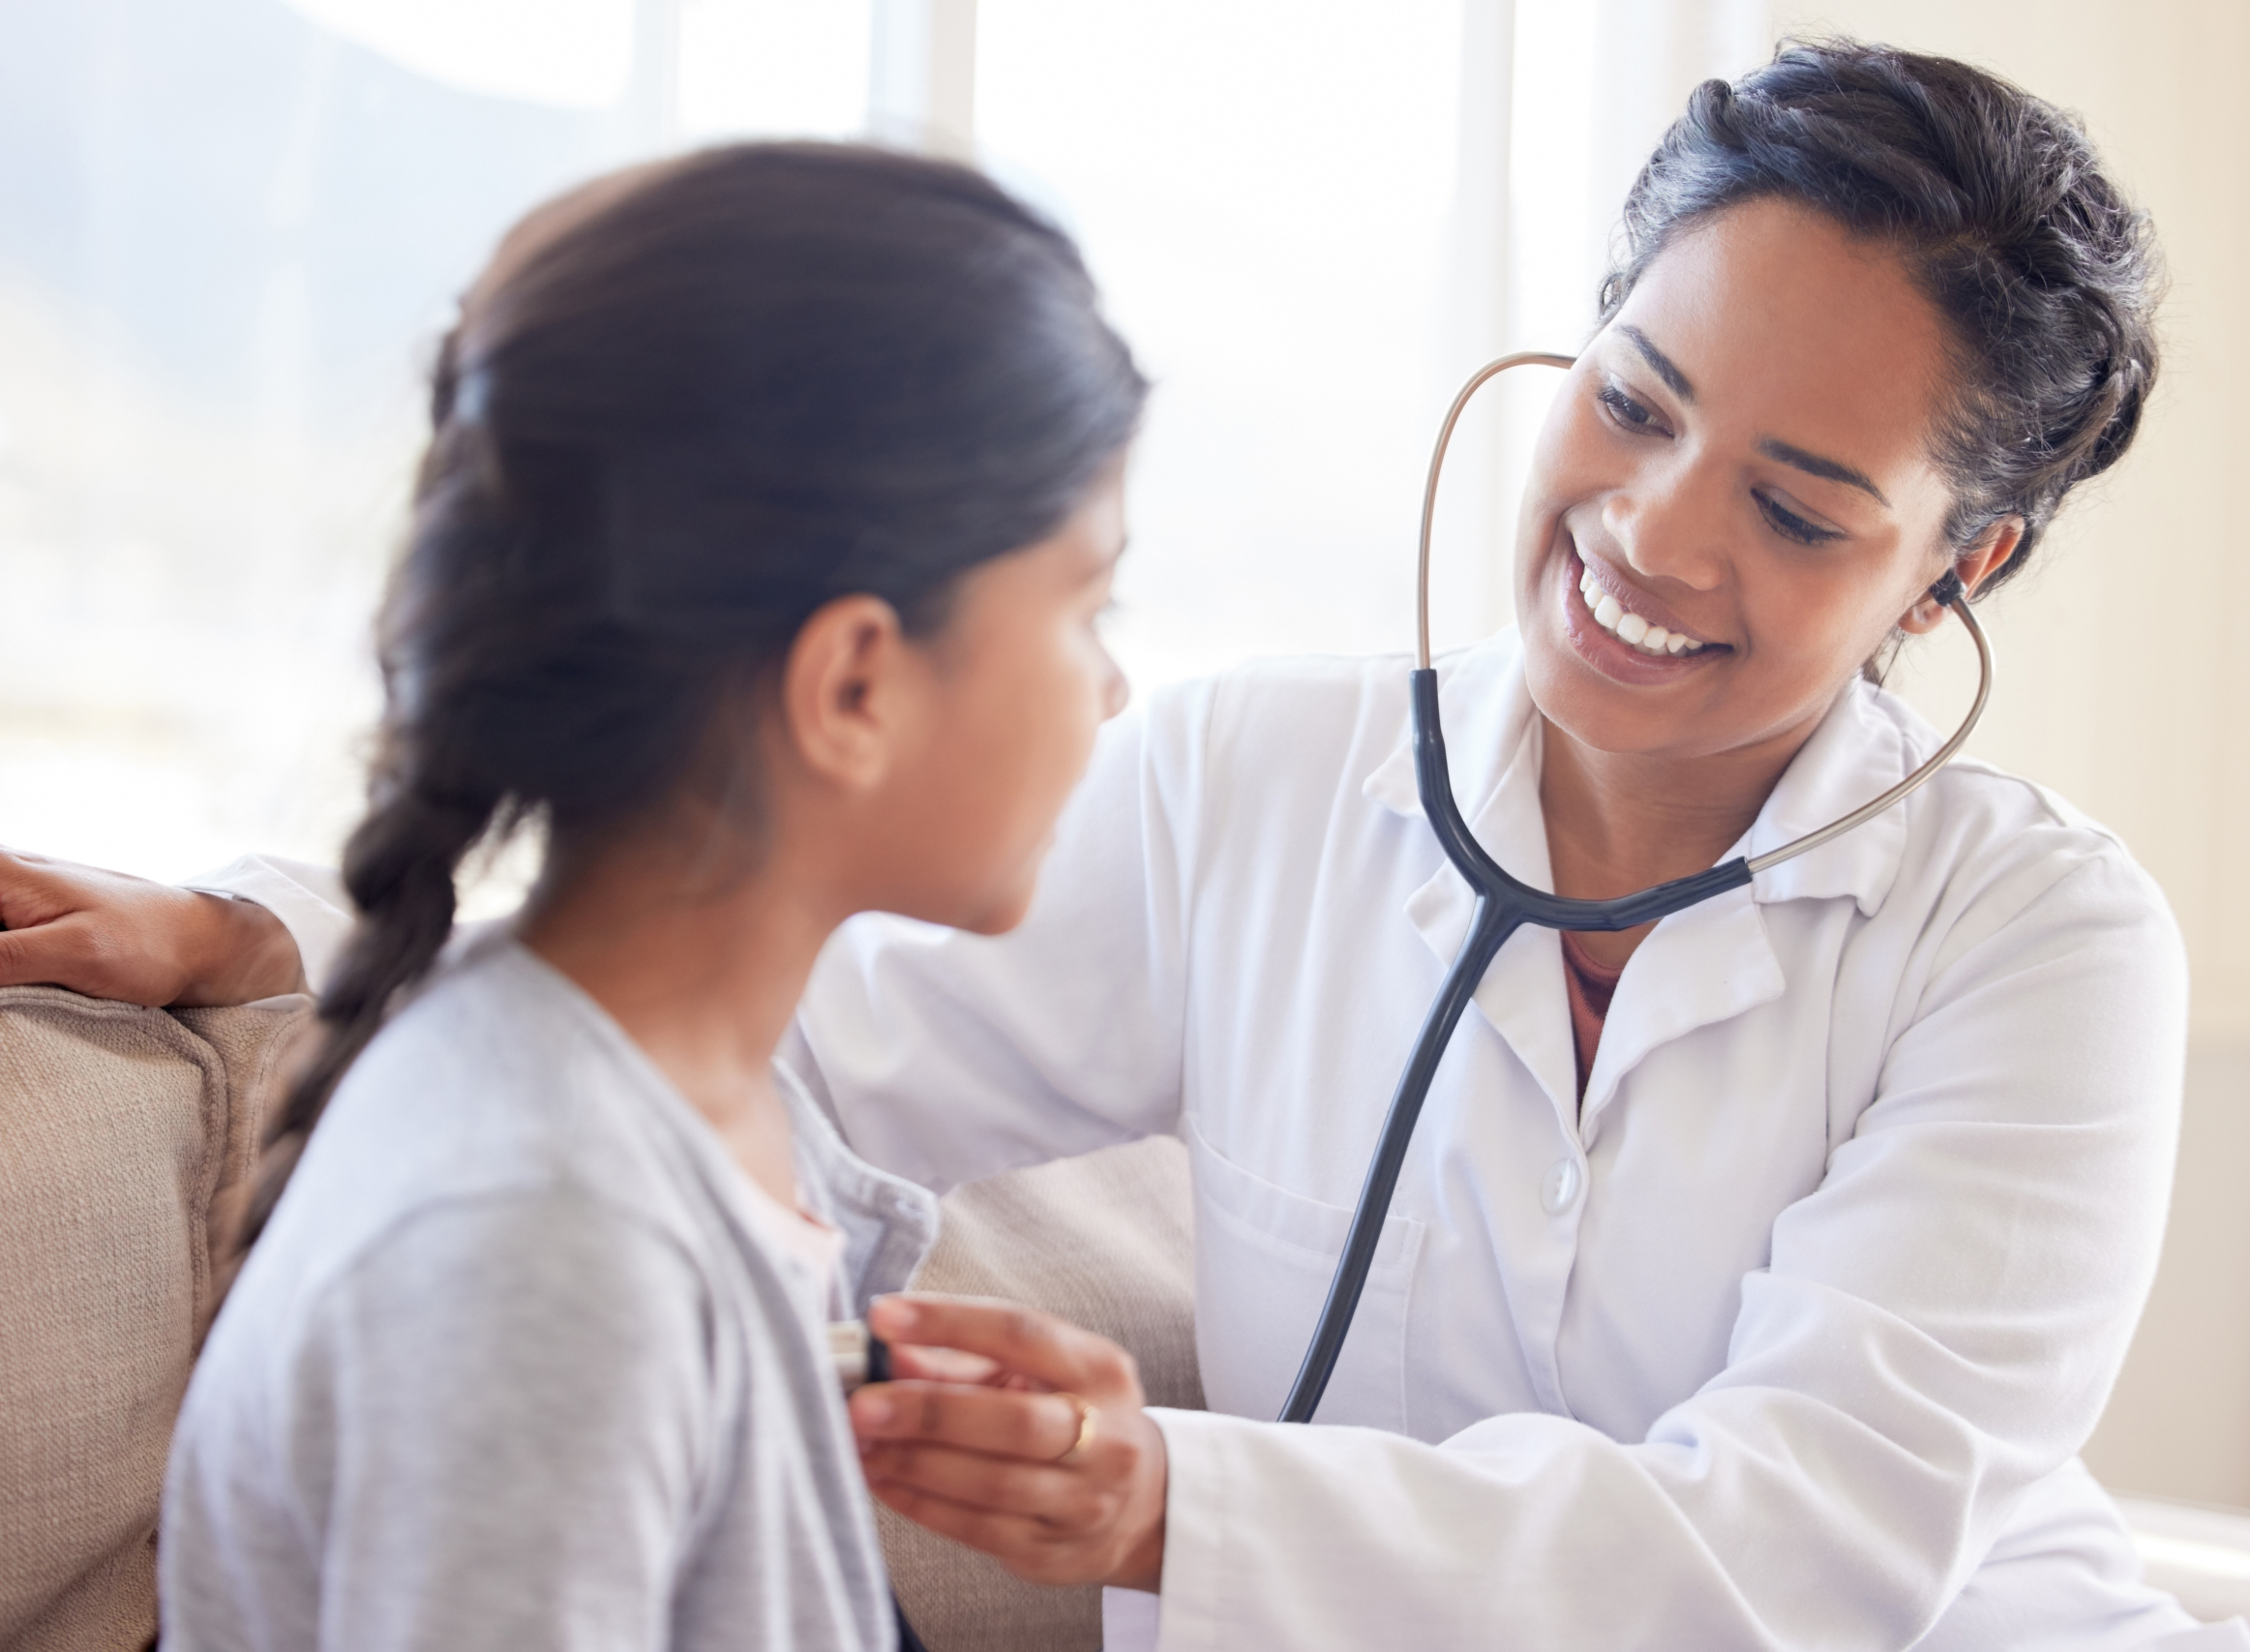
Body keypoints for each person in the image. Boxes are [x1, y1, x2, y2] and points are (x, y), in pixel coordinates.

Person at [0, 38, 2232, 1652]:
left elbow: (1793, 1556)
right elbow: (738, 991)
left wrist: (1171, 1493)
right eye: (1631, 400)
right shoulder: (1256, 778)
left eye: (1798, 506)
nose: (1648, 531)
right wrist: (296, 919)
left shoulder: (2034, 941)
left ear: (1958, 560)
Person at [144, 141, 1150, 1650]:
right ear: (855, 684)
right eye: (1088, 605)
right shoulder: (542, 1244)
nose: (1111, 687)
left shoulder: (690, 1112)